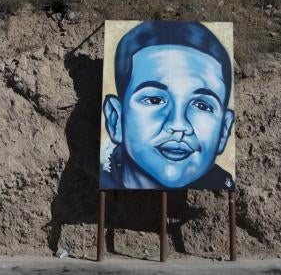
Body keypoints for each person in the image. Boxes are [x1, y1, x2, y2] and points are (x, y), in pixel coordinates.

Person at [100, 21, 235, 190]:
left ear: (224, 130)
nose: (179, 125)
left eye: (201, 105)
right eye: (154, 100)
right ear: (116, 119)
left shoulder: (223, 184)